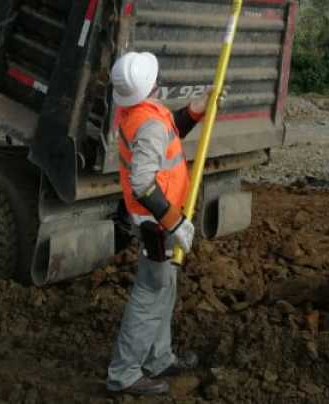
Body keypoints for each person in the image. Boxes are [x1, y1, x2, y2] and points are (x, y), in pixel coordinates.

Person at [104, 51, 217, 397]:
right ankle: (123, 374)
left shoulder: (139, 113)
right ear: (153, 85)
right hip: (156, 224)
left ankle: (158, 358)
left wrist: (197, 109)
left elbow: (170, 133)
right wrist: (175, 222)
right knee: (150, 293)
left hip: (157, 220)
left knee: (163, 289)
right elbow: (142, 182)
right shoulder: (148, 121)